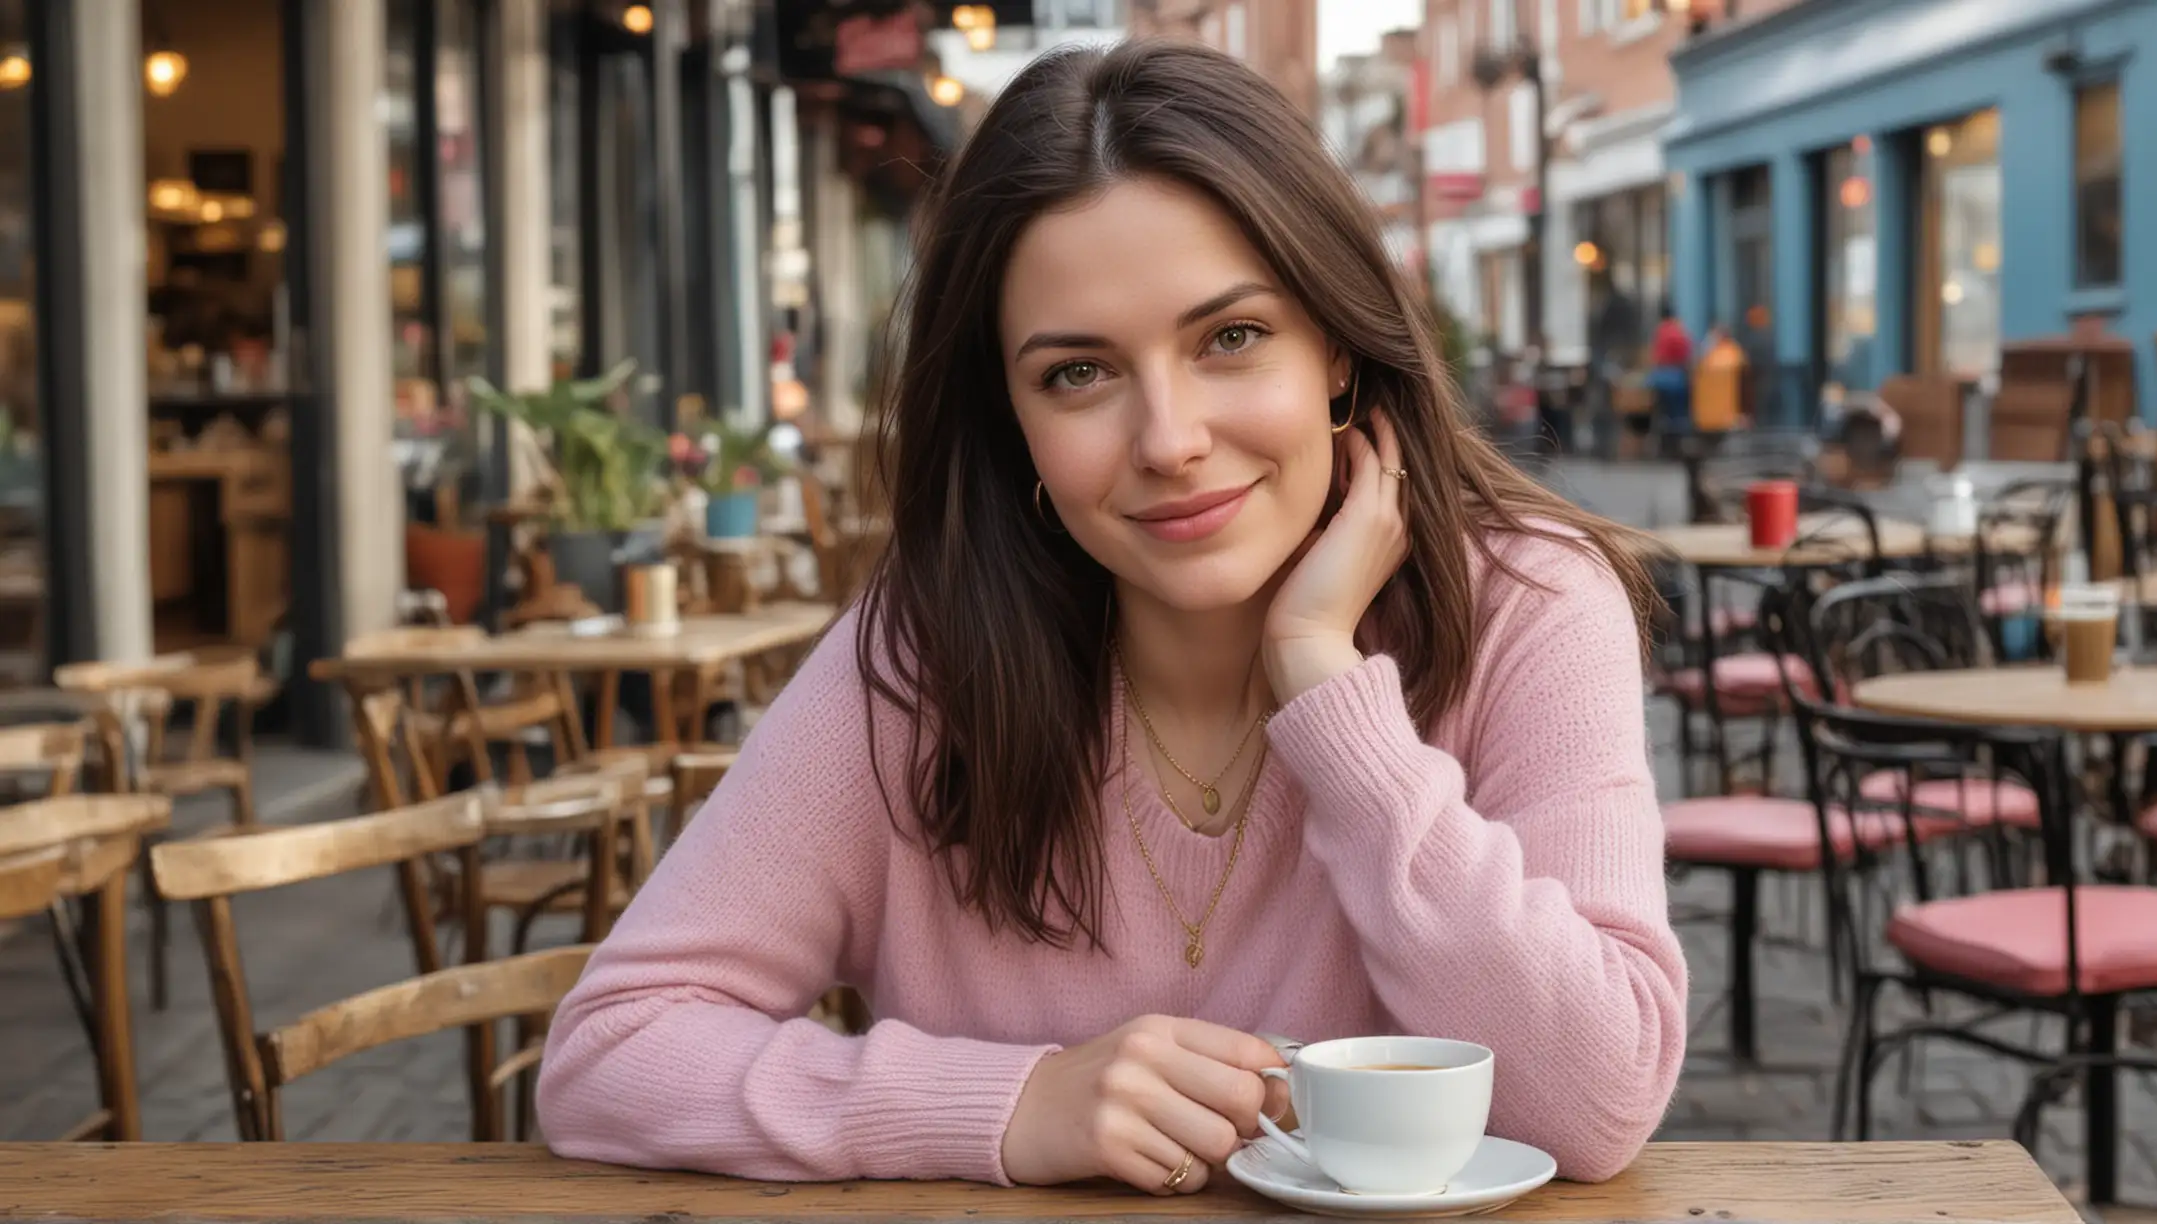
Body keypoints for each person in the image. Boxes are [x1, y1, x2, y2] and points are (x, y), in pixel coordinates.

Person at [537, 40, 1687, 1196]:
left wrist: (1329, 692)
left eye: (1230, 338)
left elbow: (1595, 1101)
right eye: (1079, 373)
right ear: (1014, 421)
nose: (1169, 441)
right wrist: (1010, 1104)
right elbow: (612, 1051)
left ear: (1336, 350)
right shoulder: (926, 661)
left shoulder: (1529, 608)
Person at [1644, 303, 1692, 441]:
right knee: (1679, 413)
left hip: (1661, 377)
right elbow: (1686, 354)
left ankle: (1661, 434)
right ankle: (1680, 436)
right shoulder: (1679, 330)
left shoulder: (1660, 331)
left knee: (1661, 410)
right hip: (1677, 378)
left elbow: (1656, 357)